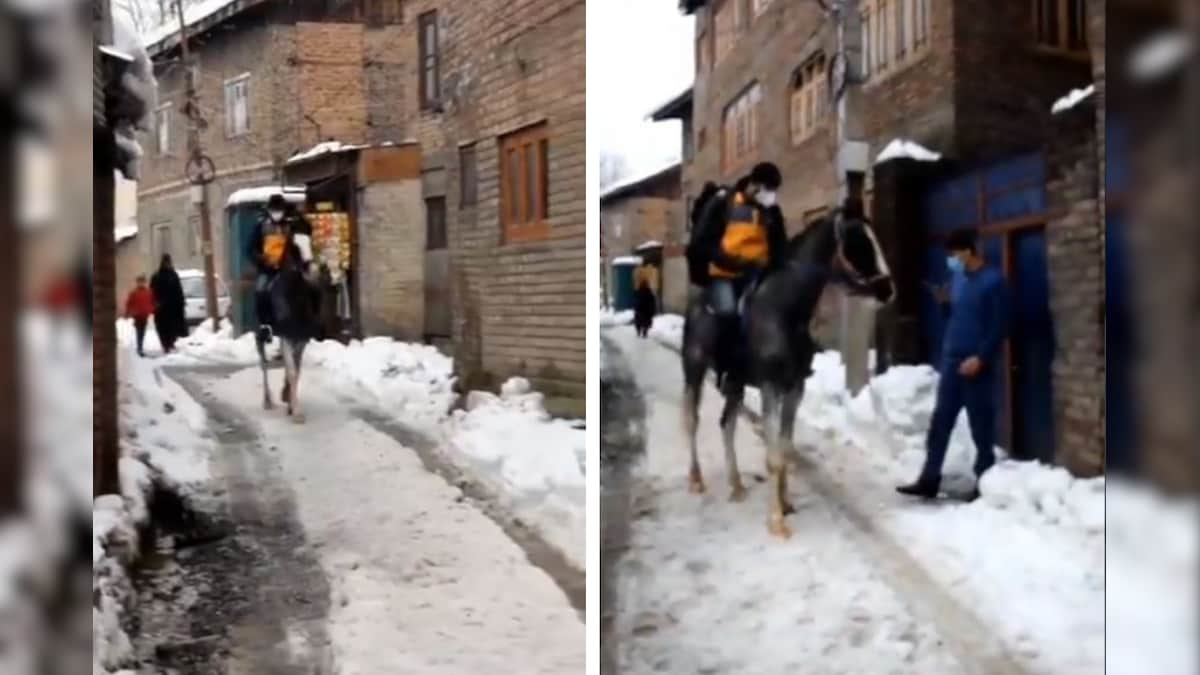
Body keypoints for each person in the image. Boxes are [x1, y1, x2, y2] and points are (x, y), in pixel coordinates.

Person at [898, 228, 1010, 500]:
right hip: (951, 363)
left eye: (954, 253)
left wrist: (981, 358)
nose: (950, 259)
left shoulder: (994, 282)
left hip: (975, 366)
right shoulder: (958, 279)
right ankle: (929, 478)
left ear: (968, 251)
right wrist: (944, 304)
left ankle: (984, 484)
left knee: (980, 427)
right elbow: (956, 316)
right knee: (940, 423)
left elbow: (1002, 324)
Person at [688, 162, 788, 373]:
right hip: (724, 274)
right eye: (767, 190)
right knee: (728, 314)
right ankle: (725, 368)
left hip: (757, 275)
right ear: (754, 185)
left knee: (780, 312)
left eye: (773, 191)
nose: (770, 196)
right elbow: (701, 242)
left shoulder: (771, 212)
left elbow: (780, 246)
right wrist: (729, 261)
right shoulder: (724, 203)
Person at [247, 194, 311, 342]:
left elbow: (302, 241)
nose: (277, 213)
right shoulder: (261, 226)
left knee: (310, 287)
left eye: (279, 210)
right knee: (260, 291)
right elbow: (250, 249)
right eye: (274, 210)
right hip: (268, 269)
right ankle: (265, 325)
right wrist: (261, 259)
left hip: (289, 268)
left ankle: (310, 321)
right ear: (269, 210)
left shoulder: (291, 226)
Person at [150, 254, 186, 354]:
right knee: (162, 327)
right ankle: (165, 344)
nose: (167, 264)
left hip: (173, 307)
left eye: (168, 262)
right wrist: (155, 303)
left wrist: (181, 302)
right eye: (166, 262)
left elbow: (179, 290)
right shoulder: (156, 276)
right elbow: (152, 291)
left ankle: (170, 343)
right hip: (161, 307)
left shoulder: (173, 275)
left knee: (173, 326)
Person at [124, 275, 155, 357]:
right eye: (139, 282)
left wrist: (152, 310)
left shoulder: (149, 292)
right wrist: (127, 313)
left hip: (144, 315)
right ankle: (139, 348)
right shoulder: (134, 293)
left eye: (142, 282)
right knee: (139, 332)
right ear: (137, 283)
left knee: (142, 332)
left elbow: (152, 302)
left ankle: (140, 347)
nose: (141, 284)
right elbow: (129, 304)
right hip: (137, 315)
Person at [633, 260, 659, 338]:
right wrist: (653, 309)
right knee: (646, 320)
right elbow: (652, 300)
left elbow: (635, 299)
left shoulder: (638, 290)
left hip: (640, 308)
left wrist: (635, 306)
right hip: (646, 309)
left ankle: (639, 331)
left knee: (639, 320)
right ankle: (644, 331)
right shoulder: (648, 290)